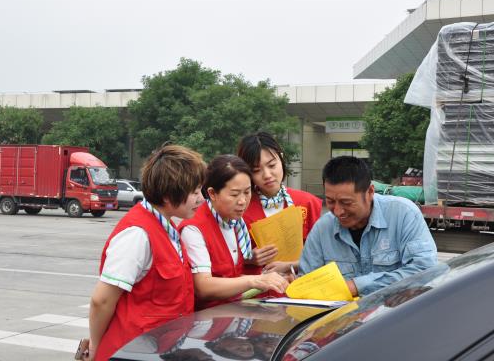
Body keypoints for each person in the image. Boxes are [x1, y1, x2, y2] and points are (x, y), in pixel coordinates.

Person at [82, 145, 206, 361]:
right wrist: (95, 348)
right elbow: (102, 300)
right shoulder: (137, 235)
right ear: (168, 195)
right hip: (132, 351)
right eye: (195, 192)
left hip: (159, 350)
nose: (201, 199)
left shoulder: (168, 228)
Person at [299, 156, 437, 297]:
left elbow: (425, 271)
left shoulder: (404, 214)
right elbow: (307, 283)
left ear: (370, 192)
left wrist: (356, 286)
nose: (338, 211)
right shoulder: (322, 229)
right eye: (330, 201)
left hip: (397, 310)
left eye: (346, 203)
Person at [179, 155, 289, 310]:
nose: (243, 201)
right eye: (234, 194)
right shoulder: (194, 228)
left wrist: (274, 279)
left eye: (247, 192)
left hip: (233, 312)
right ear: (212, 193)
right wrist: (255, 281)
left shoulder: (236, 222)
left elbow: (232, 278)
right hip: (207, 318)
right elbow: (203, 287)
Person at [237, 132, 322, 275]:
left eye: (272, 165)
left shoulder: (308, 202)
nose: (267, 175)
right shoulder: (240, 208)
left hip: (302, 285)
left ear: (281, 158)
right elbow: (222, 257)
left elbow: (324, 254)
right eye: (256, 170)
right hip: (257, 287)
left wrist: (291, 265)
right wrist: (247, 258)